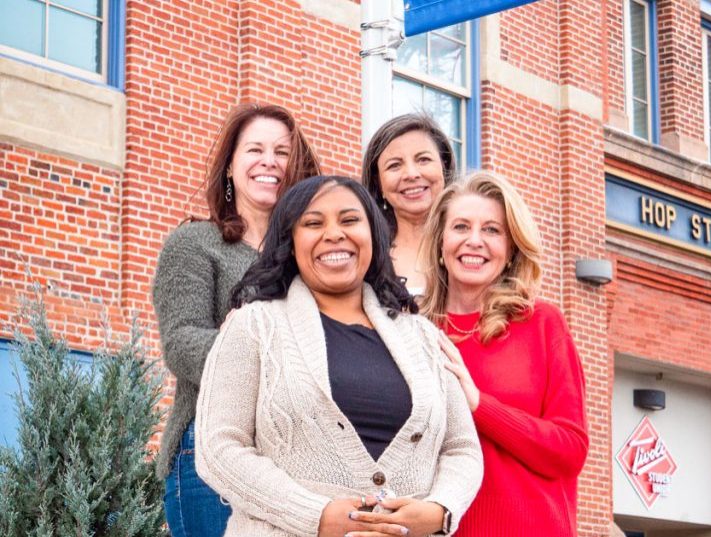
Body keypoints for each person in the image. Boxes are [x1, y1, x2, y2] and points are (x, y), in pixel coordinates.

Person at [195, 176, 483, 537]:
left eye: (349, 220)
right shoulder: (254, 326)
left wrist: (441, 510)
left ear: (373, 236)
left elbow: (462, 448)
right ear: (291, 240)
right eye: (314, 223)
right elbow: (219, 447)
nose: (334, 234)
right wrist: (315, 516)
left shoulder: (422, 336)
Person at [152, 103, 321, 537]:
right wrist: (266, 351)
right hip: (209, 452)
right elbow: (182, 343)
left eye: (282, 152)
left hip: (296, 456)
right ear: (230, 166)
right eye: (255, 150)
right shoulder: (195, 243)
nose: (270, 162)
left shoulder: (310, 260)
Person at [419, 171, 589, 537]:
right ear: (440, 242)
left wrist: (480, 406)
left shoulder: (542, 324)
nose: (474, 241)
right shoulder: (414, 331)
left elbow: (570, 450)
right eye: (461, 227)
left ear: (511, 248)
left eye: (492, 230)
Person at [362, 114, 456, 293]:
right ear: (378, 182)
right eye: (394, 165)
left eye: (423, 160)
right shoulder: (366, 254)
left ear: (444, 167)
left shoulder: (469, 244)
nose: (411, 174)